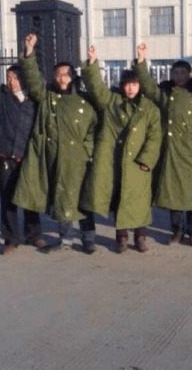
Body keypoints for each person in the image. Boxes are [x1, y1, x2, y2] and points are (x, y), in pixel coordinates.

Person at [12, 34, 97, 254]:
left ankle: (89, 239)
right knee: (61, 198)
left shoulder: (84, 101)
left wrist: (87, 151)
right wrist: (29, 50)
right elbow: (31, 78)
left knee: (82, 200)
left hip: (79, 160)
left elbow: (92, 130)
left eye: (66, 74)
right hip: (54, 157)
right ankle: (65, 240)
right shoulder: (47, 97)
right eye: (58, 74)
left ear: (73, 77)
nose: (62, 78)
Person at [80, 45, 162, 253]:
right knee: (119, 199)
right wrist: (92, 63)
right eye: (127, 84)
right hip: (114, 162)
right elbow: (96, 88)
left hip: (137, 163)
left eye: (134, 84)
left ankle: (141, 236)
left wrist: (146, 160)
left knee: (140, 202)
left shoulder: (149, 108)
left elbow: (154, 136)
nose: (130, 89)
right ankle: (122, 237)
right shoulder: (112, 103)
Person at [133, 43, 192, 245]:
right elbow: (148, 87)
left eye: (183, 72)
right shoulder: (165, 94)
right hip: (172, 155)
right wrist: (141, 61)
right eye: (175, 72)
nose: (179, 76)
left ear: (189, 74)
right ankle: (176, 231)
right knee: (174, 196)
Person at [0, 40, 43, 255]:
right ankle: (10, 238)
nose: (11, 81)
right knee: (8, 199)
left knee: (30, 196)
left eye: (15, 77)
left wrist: (29, 51)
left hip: (27, 157)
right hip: (5, 155)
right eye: (8, 77)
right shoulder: (1, 98)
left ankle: (33, 234)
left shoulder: (34, 101)